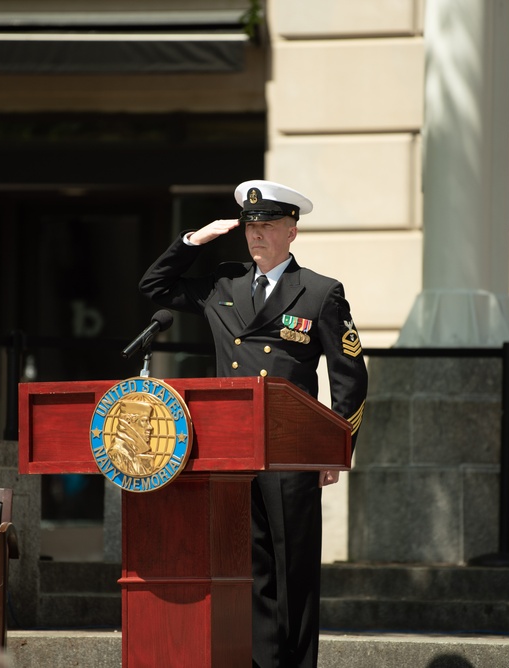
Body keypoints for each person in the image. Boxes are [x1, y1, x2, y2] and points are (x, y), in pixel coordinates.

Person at [139, 179, 368, 668]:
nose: (256, 234)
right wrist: (191, 242)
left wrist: (335, 448)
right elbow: (154, 287)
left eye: (267, 226)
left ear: (292, 231)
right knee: (248, 569)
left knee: (293, 569)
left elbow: (350, 377)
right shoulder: (224, 284)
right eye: (250, 225)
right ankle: (260, 661)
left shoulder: (320, 293)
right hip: (232, 448)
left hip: (289, 449)